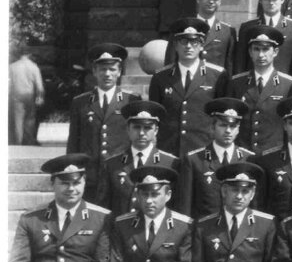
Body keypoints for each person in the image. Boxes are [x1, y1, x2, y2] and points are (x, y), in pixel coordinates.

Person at [149, 17, 230, 156]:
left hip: (203, 151)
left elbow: (221, 116)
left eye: (194, 42)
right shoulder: (160, 77)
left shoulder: (217, 76)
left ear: (202, 45)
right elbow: (155, 116)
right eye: (183, 41)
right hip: (169, 150)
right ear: (175, 45)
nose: (188, 46)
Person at [67, 43, 134, 201]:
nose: (107, 74)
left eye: (112, 69)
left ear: (119, 72)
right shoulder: (81, 102)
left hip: (120, 173)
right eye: (103, 69)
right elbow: (74, 141)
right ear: (94, 71)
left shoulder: (130, 101)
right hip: (90, 175)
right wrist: (73, 171)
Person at [228, 25, 292, 154]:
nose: (261, 55)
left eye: (266, 49)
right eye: (256, 49)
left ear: (275, 52)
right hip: (243, 154)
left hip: (274, 155)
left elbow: (291, 124)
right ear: (250, 52)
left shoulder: (289, 84)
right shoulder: (236, 83)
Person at [177, 97, 255, 218]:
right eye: (223, 125)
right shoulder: (194, 160)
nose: (228, 131)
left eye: (233, 126)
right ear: (212, 127)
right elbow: (185, 208)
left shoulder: (249, 159)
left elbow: (254, 207)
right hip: (204, 227)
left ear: (238, 129)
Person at [98, 100, 178, 214]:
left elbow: (175, 206)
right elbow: (103, 208)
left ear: (156, 130)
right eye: (136, 127)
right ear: (128, 129)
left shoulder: (170, 163)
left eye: (147, 128)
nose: (141, 133)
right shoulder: (112, 165)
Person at [235, 0, 292, 76]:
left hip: (285, 83)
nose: (271, 3)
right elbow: (240, 63)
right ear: (260, 0)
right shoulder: (247, 27)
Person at [9, 43, 45, 145]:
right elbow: (39, 85)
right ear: (29, 54)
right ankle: (28, 142)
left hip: (16, 95)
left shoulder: (12, 67)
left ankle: (18, 142)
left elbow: (8, 83)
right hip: (29, 95)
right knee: (30, 118)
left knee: (18, 119)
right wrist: (40, 97)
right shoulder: (34, 67)